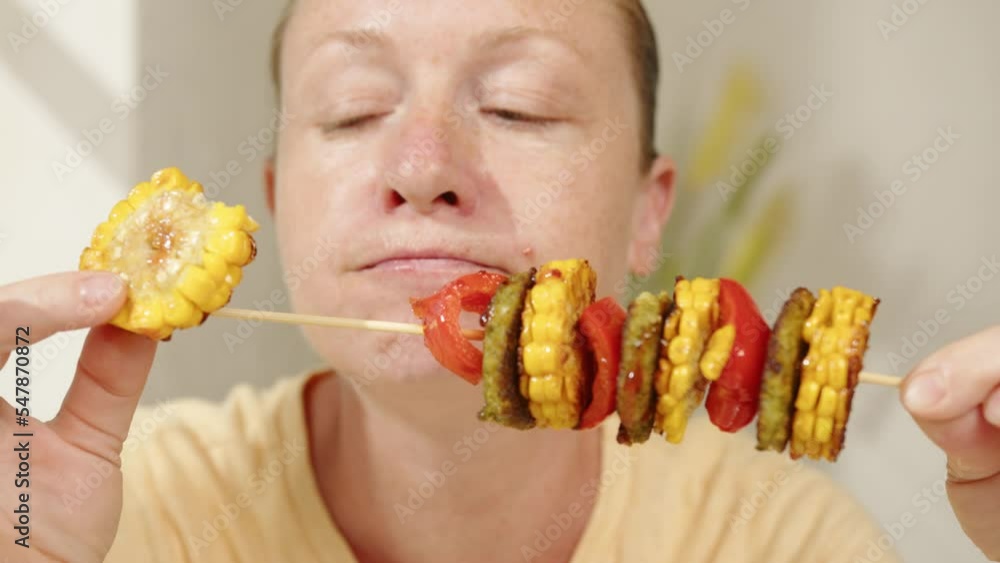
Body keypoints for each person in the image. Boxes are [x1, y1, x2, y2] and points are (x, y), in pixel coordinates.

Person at [1, 1, 997, 561]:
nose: (421, 165)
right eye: (353, 111)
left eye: (520, 106)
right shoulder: (101, 504)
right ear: (275, 204)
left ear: (648, 211)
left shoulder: (778, 543)